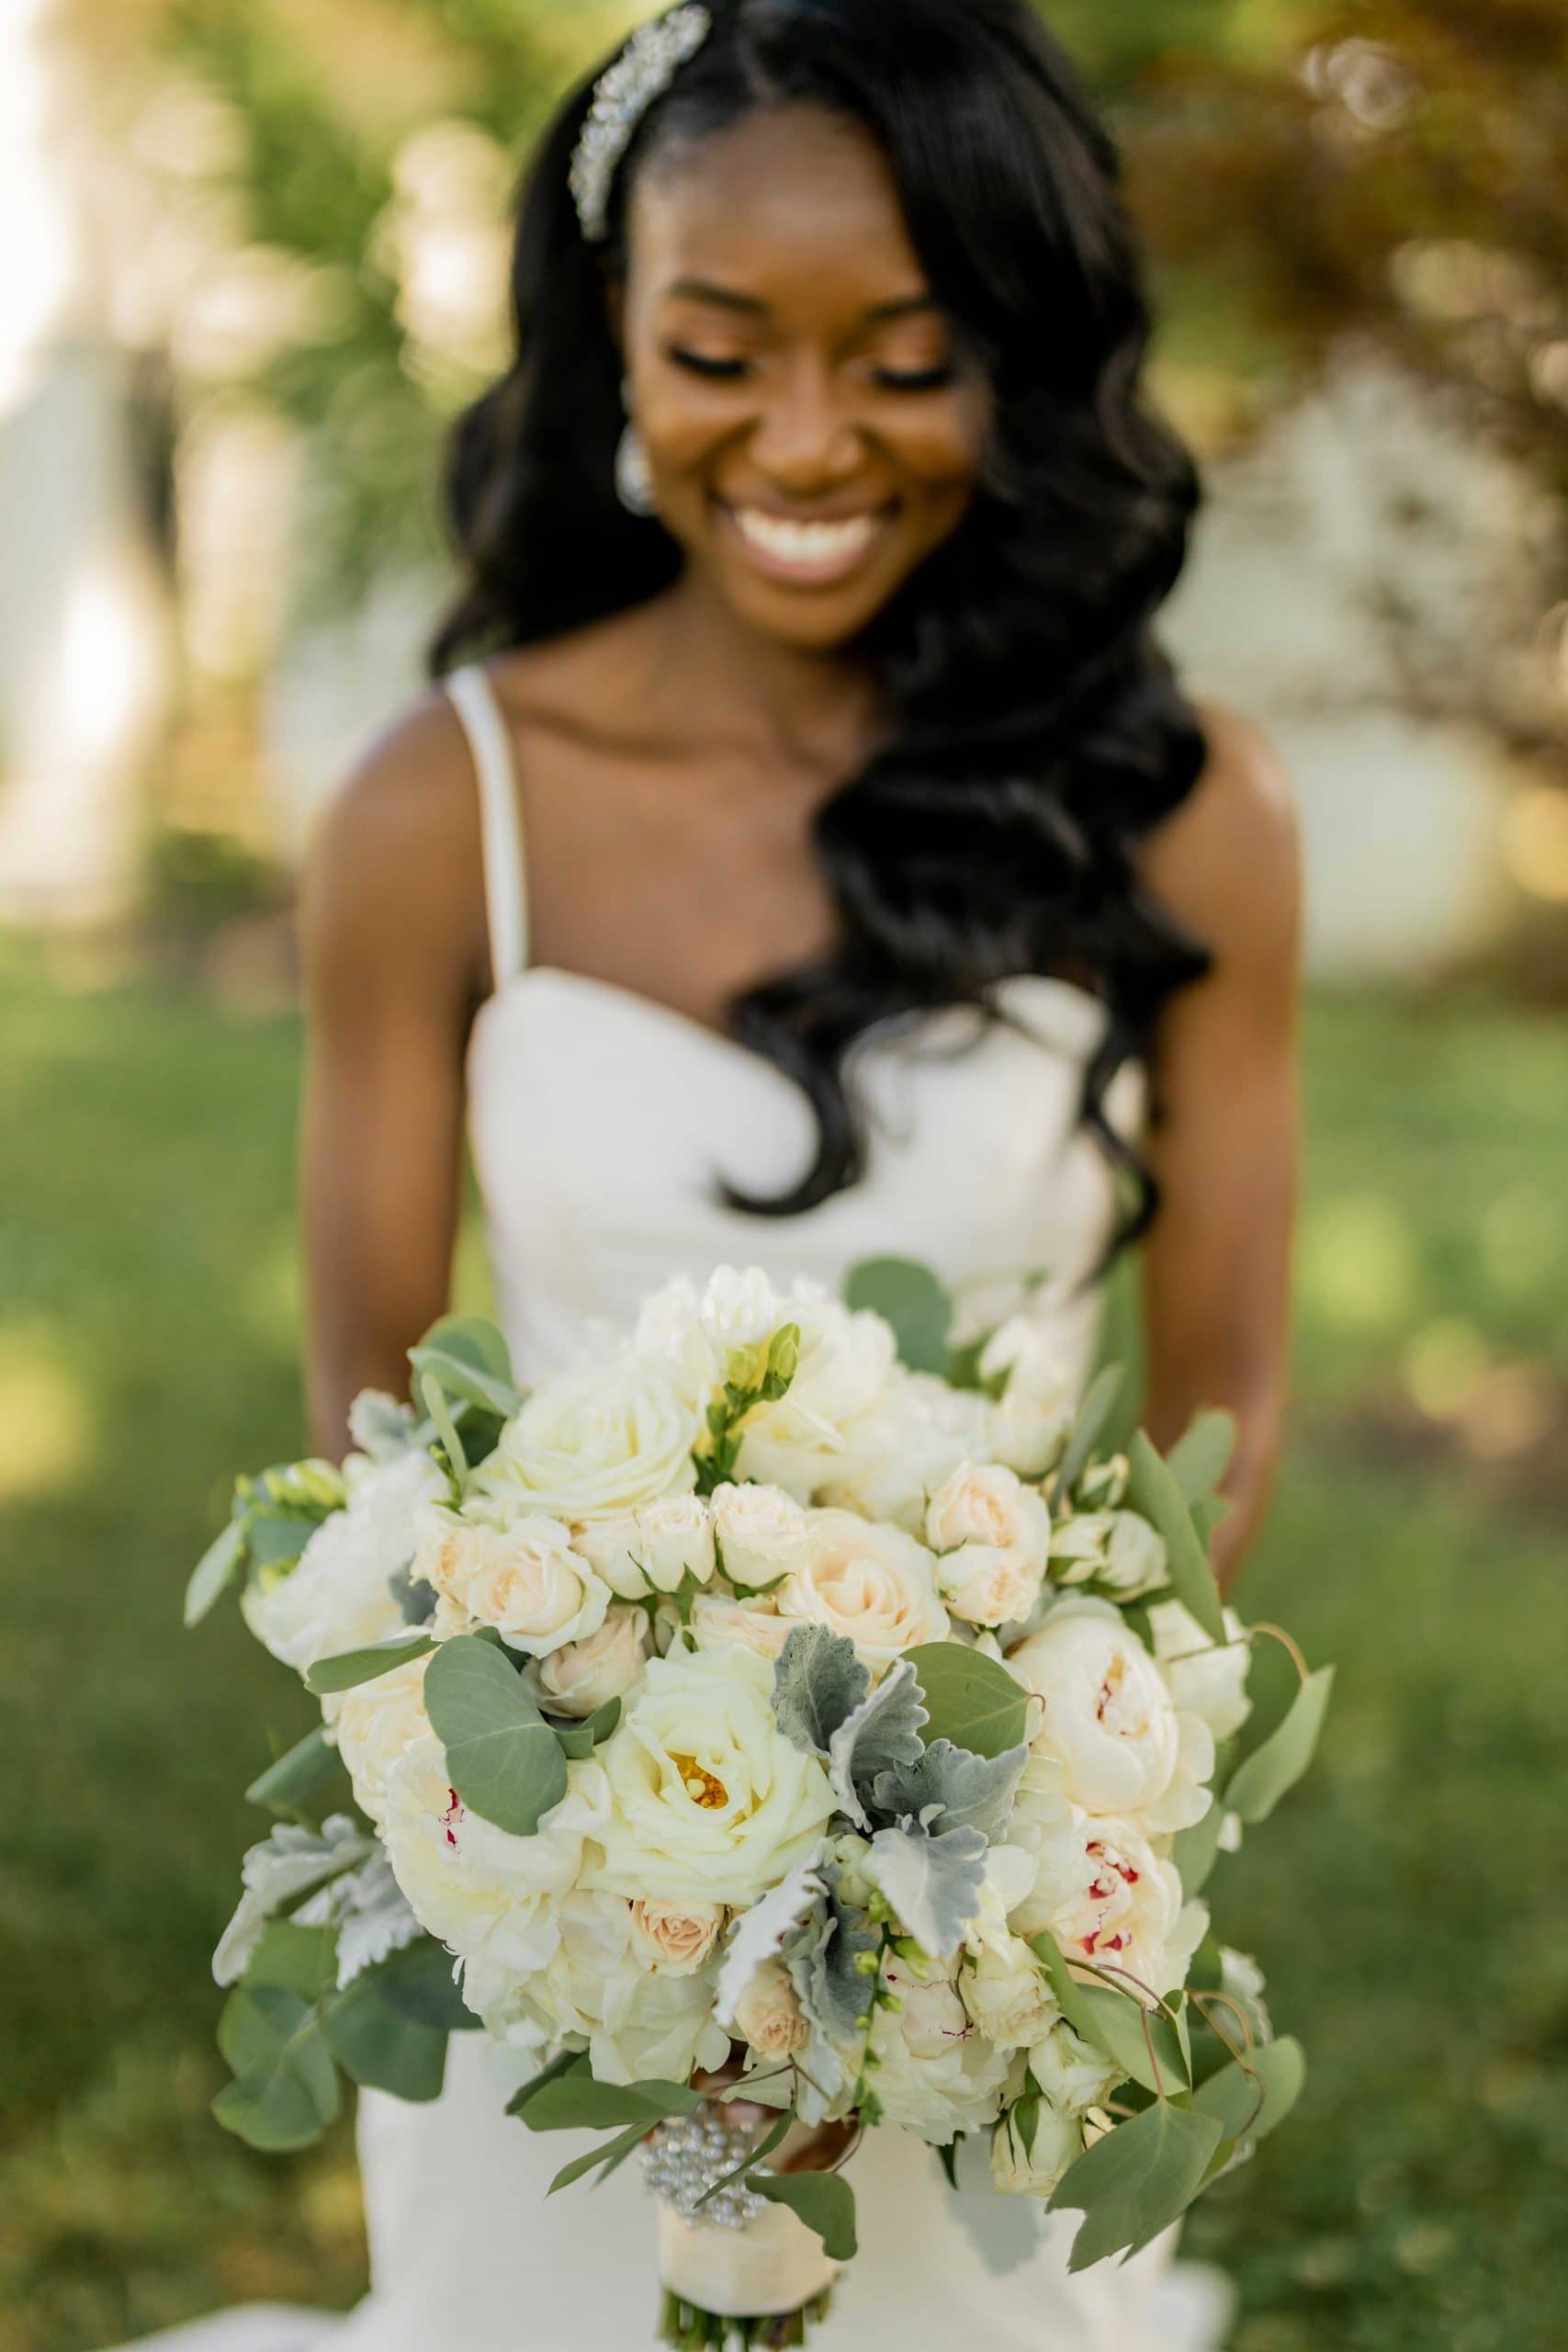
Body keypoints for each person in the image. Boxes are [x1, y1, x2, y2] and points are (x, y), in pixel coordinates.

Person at [118, 2, 1299, 2345]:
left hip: (992, 1913)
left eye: (900, 355)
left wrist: (1016, 1793)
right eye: (718, 348)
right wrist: (597, 1849)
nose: (801, 437)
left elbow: (1222, 1406)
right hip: (566, 1902)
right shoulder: (429, 807)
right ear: (612, 354)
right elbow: (365, 1417)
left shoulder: (1179, 811)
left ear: (1019, 357)